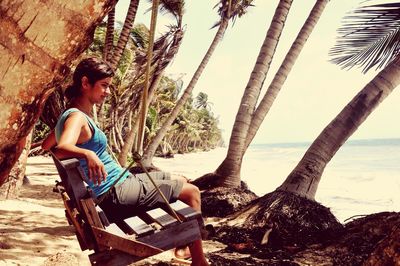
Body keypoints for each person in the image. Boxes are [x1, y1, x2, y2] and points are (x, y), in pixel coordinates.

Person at [42, 57, 209, 266]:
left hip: (117, 187)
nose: (108, 92)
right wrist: (88, 155)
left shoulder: (69, 116)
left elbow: (47, 145)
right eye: (104, 86)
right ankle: (196, 258)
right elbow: (61, 148)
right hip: (115, 193)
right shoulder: (76, 118)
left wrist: (81, 149)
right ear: (85, 83)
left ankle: (184, 248)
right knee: (192, 192)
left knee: (182, 179)